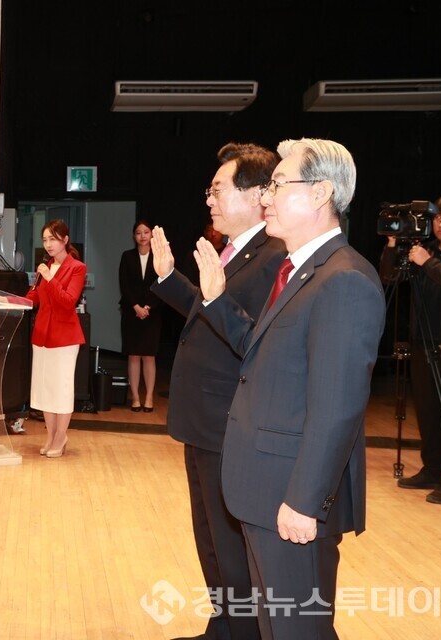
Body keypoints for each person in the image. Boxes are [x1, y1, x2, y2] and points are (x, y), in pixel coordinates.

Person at [178, 138, 384, 639]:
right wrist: (216, 299)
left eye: (277, 185)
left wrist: (305, 500)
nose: (266, 197)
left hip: (290, 499)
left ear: (320, 195)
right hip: (264, 490)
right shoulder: (299, 272)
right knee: (275, 627)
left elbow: (337, 407)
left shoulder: (344, 279)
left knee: (297, 630)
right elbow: (260, 350)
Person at [151, 142, 285, 640]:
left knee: (231, 546)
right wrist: (168, 277)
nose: (209, 199)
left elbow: (251, 335)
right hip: (202, 420)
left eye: (217, 189)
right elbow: (209, 310)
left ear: (255, 195)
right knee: (209, 537)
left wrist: (211, 295)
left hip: (228, 421)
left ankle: (242, 630)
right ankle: (224, 625)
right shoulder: (233, 249)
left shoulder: (273, 258)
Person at [380, 194, 441, 504]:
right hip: (423, 342)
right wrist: (392, 245)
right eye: (438, 218)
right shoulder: (426, 250)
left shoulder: (429, 257)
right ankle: (432, 468)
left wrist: (429, 262)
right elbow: (389, 276)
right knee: (428, 411)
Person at [25, 219, 86, 458]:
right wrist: (8, 301)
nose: (48, 244)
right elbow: (33, 298)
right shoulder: (45, 267)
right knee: (44, 389)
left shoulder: (77, 268)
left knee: (60, 389)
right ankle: (51, 436)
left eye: (53, 239)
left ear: (65, 240)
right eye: (45, 240)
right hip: (41, 335)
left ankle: (61, 437)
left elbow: (68, 301)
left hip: (64, 337)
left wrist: (50, 278)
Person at [118, 220, 162, 412]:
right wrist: (136, 306)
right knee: (134, 355)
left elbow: (163, 284)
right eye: (138, 232)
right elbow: (124, 284)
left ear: (152, 234)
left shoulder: (160, 256)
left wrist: (148, 307)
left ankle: (149, 397)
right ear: (133, 236)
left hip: (153, 312)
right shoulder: (127, 257)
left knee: (149, 356)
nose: (142, 236)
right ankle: (135, 397)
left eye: (146, 232)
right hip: (131, 311)